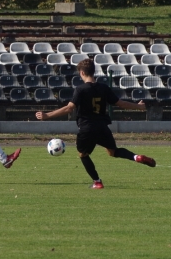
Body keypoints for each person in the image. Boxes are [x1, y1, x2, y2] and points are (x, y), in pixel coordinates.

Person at [36, 58, 156, 189]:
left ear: (82, 73)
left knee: (83, 154)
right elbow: (120, 103)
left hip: (87, 128)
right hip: (102, 127)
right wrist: (138, 107)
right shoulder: (103, 88)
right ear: (93, 72)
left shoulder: (80, 89)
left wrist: (47, 115)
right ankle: (136, 157)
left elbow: (69, 108)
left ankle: (97, 182)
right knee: (113, 152)